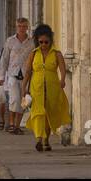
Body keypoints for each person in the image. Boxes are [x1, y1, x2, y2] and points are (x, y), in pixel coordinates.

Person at [21, 24, 69, 152]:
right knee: (38, 113)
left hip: (52, 89)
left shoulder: (57, 54)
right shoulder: (33, 54)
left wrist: (62, 80)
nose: (43, 44)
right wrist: (23, 87)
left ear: (51, 40)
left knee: (49, 115)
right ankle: (39, 139)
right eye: (40, 42)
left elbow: (63, 70)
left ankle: (46, 140)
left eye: (46, 42)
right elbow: (27, 72)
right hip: (36, 89)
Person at [0, 17, 34, 134]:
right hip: (13, 74)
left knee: (23, 100)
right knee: (14, 99)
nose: (22, 29)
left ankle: (17, 126)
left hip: (27, 74)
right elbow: (4, 59)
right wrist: (1, 77)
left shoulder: (32, 42)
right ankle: (11, 123)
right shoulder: (10, 41)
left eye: (24, 26)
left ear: (27, 27)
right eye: (19, 26)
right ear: (16, 27)